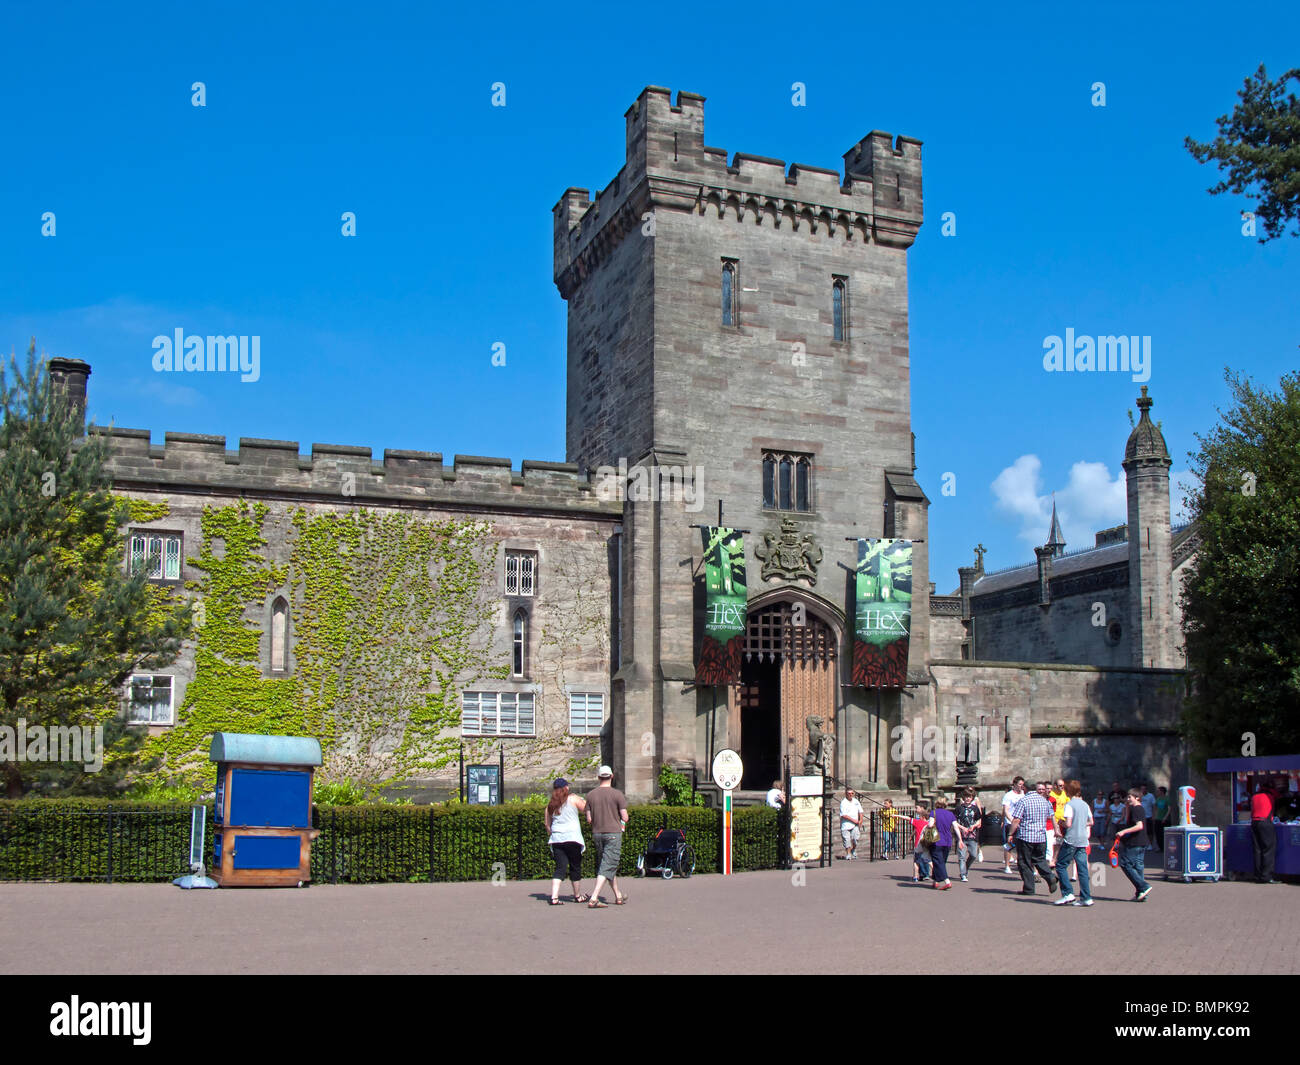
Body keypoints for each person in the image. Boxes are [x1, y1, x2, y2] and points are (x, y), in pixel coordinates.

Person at [584, 766, 628, 907]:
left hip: (597, 833)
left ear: (598, 777)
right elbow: (625, 817)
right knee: (608, 864)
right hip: (613, 833)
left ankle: (618, 895)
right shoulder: (617, 794)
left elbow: (589, 819)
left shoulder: (590, 795)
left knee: (607, 864)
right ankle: (594, 897)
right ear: (612, 776)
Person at [1006, 778, 1058, 896]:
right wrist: (1056, 829)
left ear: (1025, 788)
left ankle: (1029, 888)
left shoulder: (1024, 801)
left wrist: (1010, 834)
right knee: (1039, 859)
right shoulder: (1045, 801)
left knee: (1024, 862)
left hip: (1026, 836)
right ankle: (1050, 877)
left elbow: (1016, 820)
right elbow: (1051, 816)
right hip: (1040, 836)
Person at [544, 778, 588, 905]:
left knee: (560, 868)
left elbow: (547, 825)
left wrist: (554, 833)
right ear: (565, 788)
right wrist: (582, 799)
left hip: (557, 839)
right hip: (573, 838)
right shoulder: (573, 799)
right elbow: (586, 809)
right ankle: (577, 895)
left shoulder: (550, 805)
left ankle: (554, 897)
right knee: (575, 867)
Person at [1053, 780, 1094, 907]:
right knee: (1082, 869)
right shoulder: (1085, 804)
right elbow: (1091, 821)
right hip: (1082, 839)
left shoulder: (1070, 805)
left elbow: (1068, 823)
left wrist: (1060, 823)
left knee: (1060, 865)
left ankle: (1067, 893)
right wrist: (1081, 824)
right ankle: (1086, 897)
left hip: (1071, 839)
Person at [1114, 788, 1153, 901]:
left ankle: (1144, 886)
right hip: (1141, 842)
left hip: (1135, 842)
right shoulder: (1137, 808)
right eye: (1127, 797)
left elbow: (1139, 826)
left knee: (1125, 863)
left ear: (1137, 797)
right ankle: (1141, 893)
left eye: (1130, 797)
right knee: (1138, 866)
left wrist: (1124, 831)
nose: (1127, 799)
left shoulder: (1136, 809)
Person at [1250, 782, 1278, 884]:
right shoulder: (1270, 796)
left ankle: (1258, 875)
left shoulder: (1254, 796)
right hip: (1265, 822)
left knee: (1257, 850)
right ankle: (1266, 876)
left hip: (1254, 822)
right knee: (1268, 849)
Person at [954, 787, 982, 882]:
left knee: (973, 855)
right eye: (966, 796)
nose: (967, 798)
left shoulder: (975, 809)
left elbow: (978, 821)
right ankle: (963, 874)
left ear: (972, 798)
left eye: (969, 797)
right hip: (961, 836)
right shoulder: (959, 808)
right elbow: (954, 822)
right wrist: (963, 828)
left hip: (972, 836)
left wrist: (973, 826)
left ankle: (965, 869)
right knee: (961, 856)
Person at [930, 796, 957, 890]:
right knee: (941, 861)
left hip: (937, 841)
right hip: (948, 841)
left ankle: (947, 881)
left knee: (939, 862)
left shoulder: (933, 813)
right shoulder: (950, 814)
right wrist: (960, 839)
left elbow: (930, 825)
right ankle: (936, 881)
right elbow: (955, 827)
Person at [1001, 777, 1026, 874]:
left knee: (1022, 846)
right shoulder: (1008, 795)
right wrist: (1012, 821)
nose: (1021, 786)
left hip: (1022, 824)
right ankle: (1007, 866)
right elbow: (1006, 810)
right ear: (1014, 784)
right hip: (1011, 824)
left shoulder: (1024, 795)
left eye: (1022, 784)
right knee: (1009, 845)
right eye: (1020, 784)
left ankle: (1021, 865)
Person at [839, 787, 864, 860]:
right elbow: (844, 815)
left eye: (852, 793)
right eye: (849, 793)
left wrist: (860, 820)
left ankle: (853, 850)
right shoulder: (843, 802)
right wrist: (854, 820)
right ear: (846, 794)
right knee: (847, 841)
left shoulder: (856, 801)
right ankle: (848, 854)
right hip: (846, 825)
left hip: (855, 825)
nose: (850, 795)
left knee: (855, 839)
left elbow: (861, 811)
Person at [911, 803, 932, 882]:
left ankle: (923, 874)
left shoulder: (924, 819)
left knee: (921, 860)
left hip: (921, 842)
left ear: (922, 808)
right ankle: (922, 874)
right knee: (925, 859)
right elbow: (917, 829)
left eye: (917, 808)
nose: (916, 810)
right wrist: (912, 835)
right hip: (923, 841)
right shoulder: (921, 819)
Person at [1140, 783, 1156, 849]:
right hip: (1141, 816)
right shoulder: (1139, 796)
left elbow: (1154, 806)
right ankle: (1143, 844)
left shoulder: (1150, 796)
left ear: (1146, 789)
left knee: (1149, 831)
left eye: (1144, 789)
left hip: (1149, 816)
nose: (1143, 790)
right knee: (1142, 831)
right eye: (1141, 789)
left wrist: (1153, 815)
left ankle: (1150, 844)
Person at [1153, 786, 1170, 851]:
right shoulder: (1158, 799)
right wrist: (1154, 816)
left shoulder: (1167, 799)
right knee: (1158, 833)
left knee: (1164, 834)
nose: (1157, 792)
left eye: (1158, 791)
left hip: (1165, 819)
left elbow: (1169, 809)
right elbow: (1156, 808)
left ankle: (1165, 847)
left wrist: (1165, 817)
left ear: (1162, 792)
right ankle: (1160, 847)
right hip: (1158, 818)